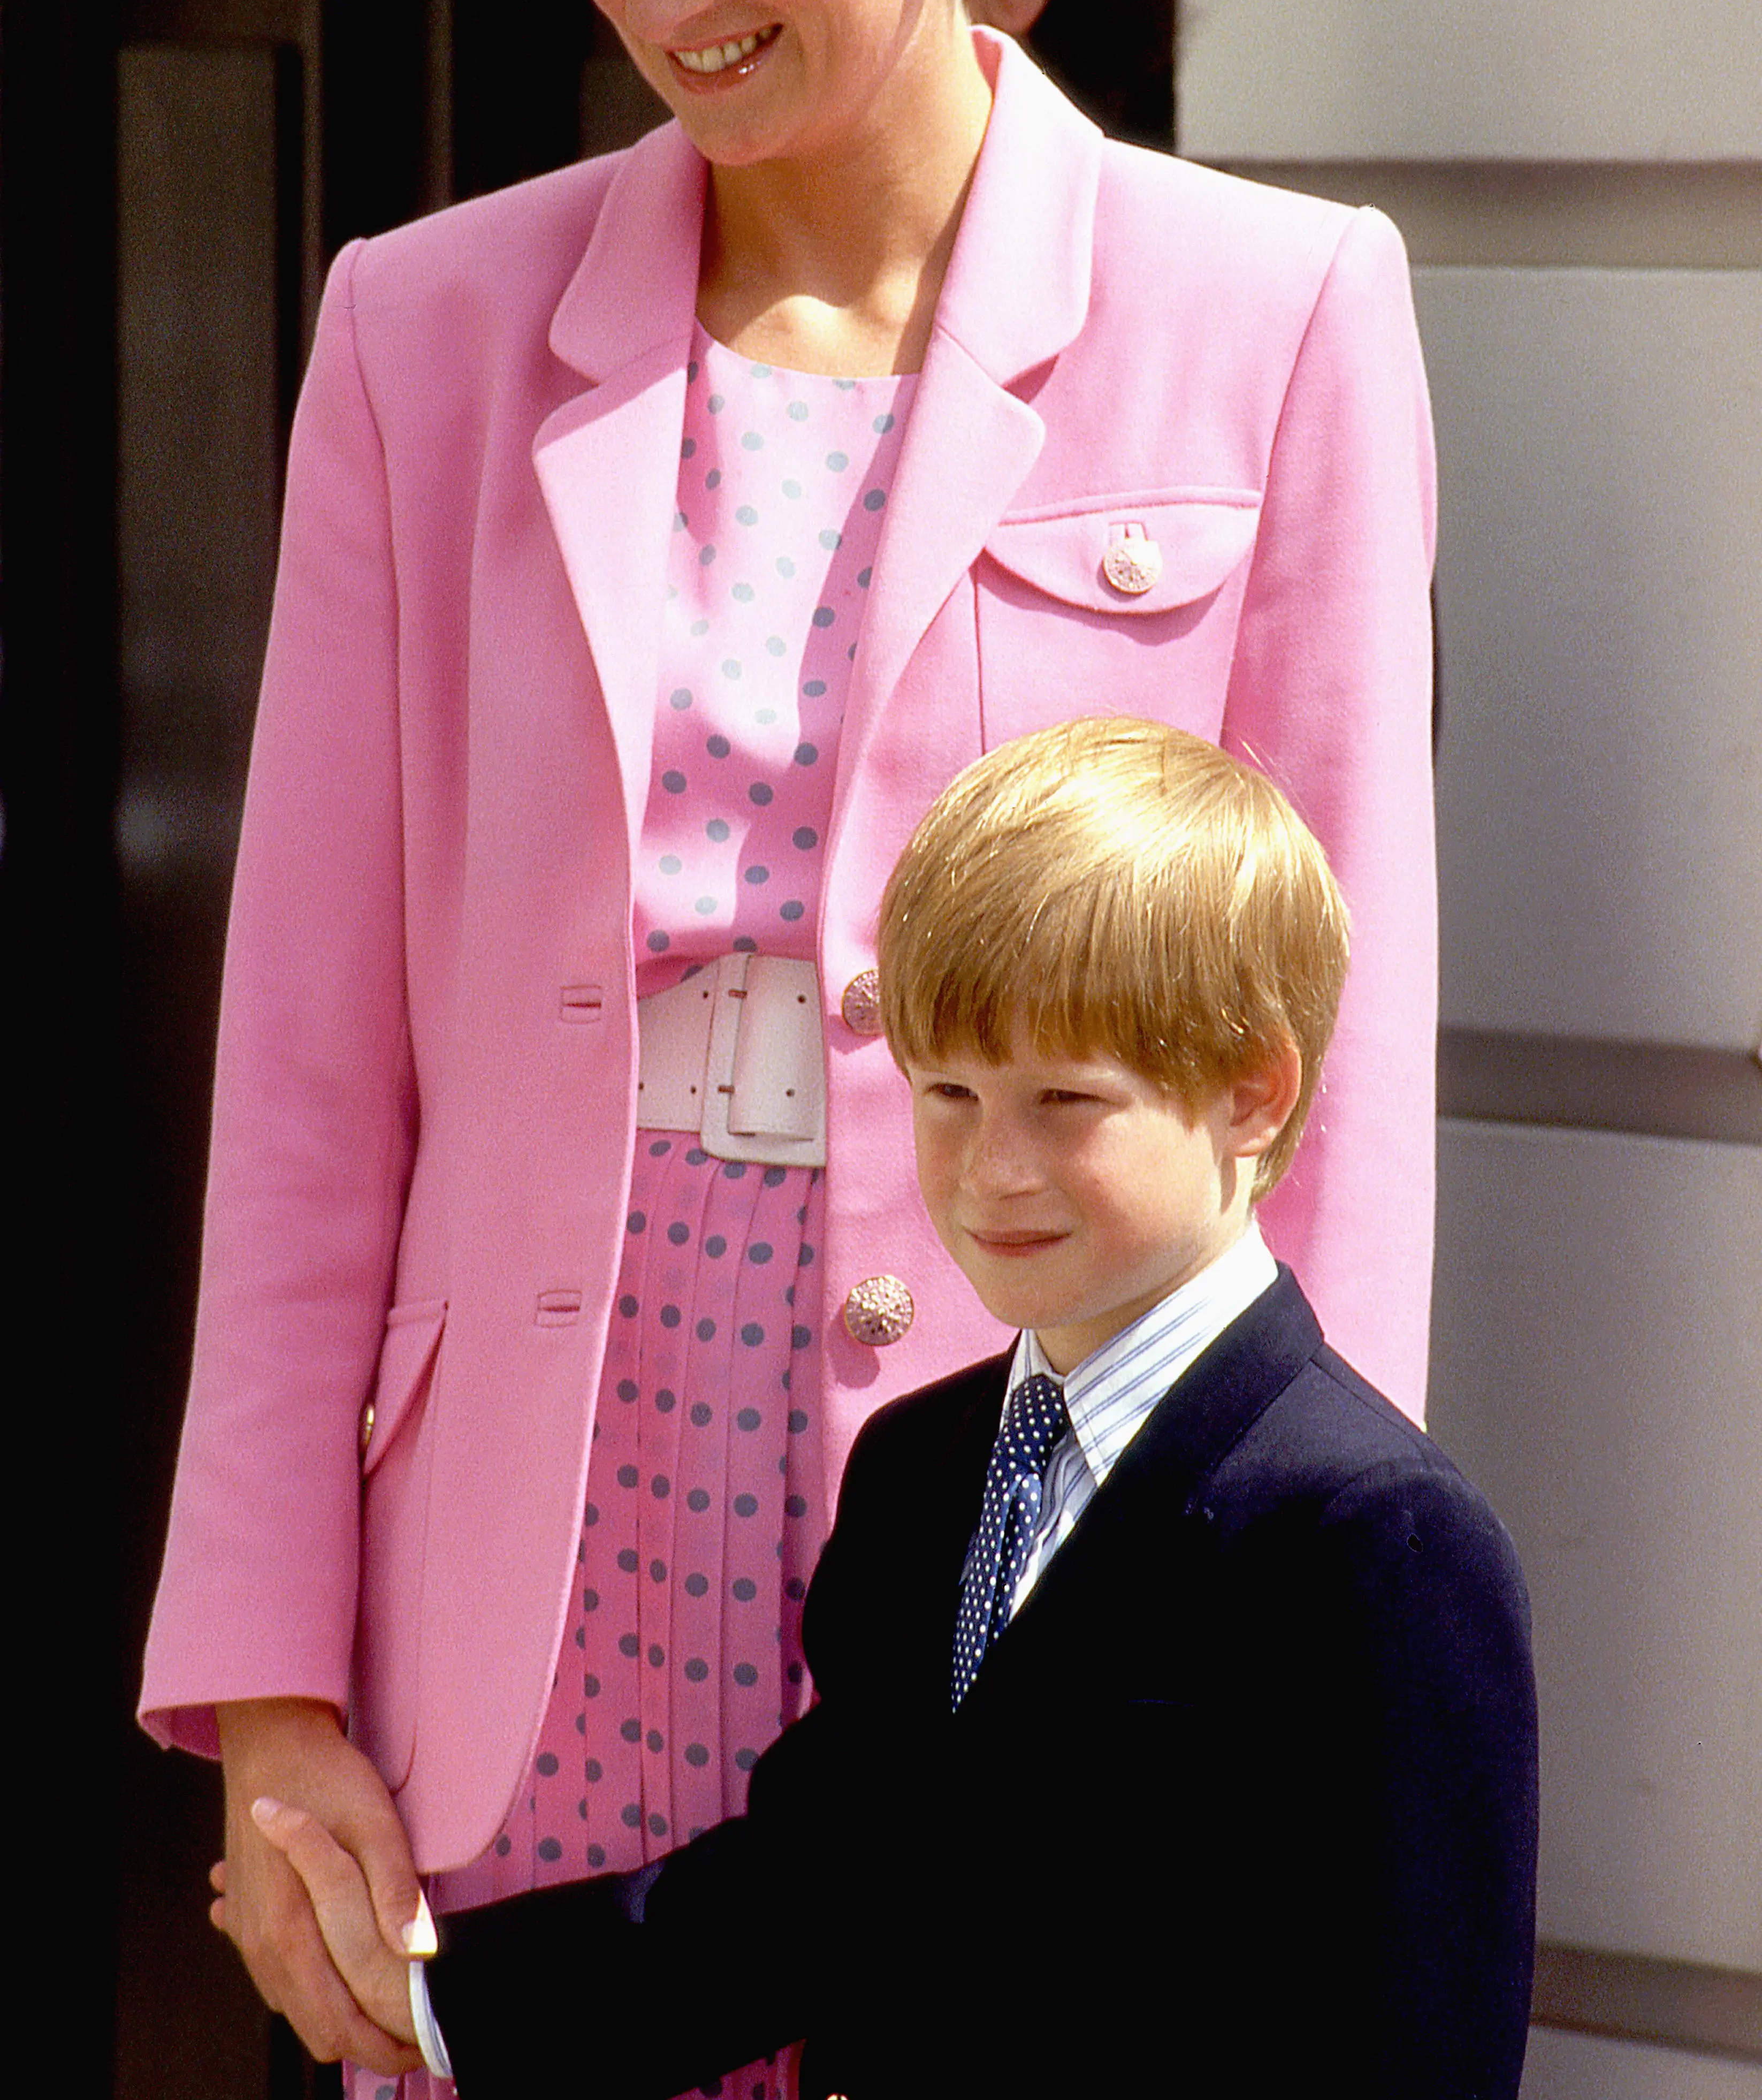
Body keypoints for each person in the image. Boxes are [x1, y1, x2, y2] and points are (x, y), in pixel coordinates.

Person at [140, 0, 1439, 2092]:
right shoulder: (419, 331)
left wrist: (1296, 1665)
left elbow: (1326, 1084)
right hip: (528, 1566)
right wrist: (267, 1695)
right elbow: (308, 1075)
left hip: (1026, 1545)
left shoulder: (1279, 318)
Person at [257, 720, 1539, 2100]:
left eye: (1066, 1102)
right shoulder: (924, 1462)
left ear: (1251, 1092)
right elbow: (815, 1892)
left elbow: (1419, 2043)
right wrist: (431, 2001)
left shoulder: (1374, 1535)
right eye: (946, 1095)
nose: (993, 1169)